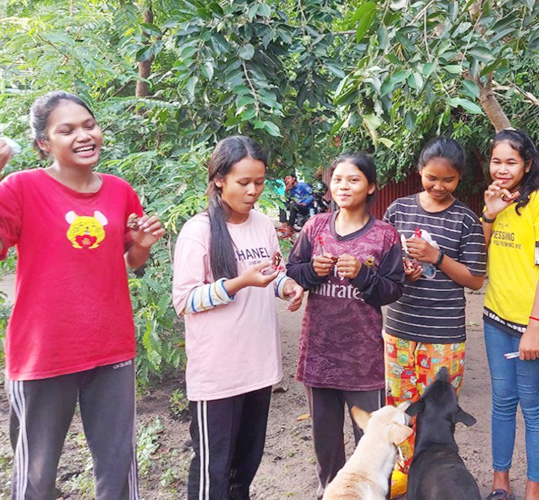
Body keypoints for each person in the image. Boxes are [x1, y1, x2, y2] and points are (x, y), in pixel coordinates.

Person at [0, 91, 165, 499]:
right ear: (44, 144)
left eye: (88, 125)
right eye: (67, 130)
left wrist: (142, 244)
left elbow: (131, 260)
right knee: (36, 479)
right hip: (43, 353)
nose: (83, 135)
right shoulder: (21, 187)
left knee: (117, 472)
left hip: (111, 348)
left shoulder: (119, 190)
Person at [172, 135, 304, 500]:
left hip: (258, 367)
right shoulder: (198, 231)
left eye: (259, 182)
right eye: (243, 182)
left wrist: (287, 286)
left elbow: (272, 274)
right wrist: (236, 284)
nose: (253, 191)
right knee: (212, 472)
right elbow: (184, 300)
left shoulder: (262, 223)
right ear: (219, 179)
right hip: (217, 375)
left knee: (245, 468)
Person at [285, 152, 404, 499]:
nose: (343, 186)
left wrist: (364, 274)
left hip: (364, 359)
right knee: (326, 445)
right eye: (337, 179)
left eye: (353, 180)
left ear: (371, 186)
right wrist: (312, 272)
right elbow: (294, 273)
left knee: (371, 442)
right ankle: (330, 493)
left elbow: (392, 290)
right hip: (318, 354)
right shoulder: (315, 227)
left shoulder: (385, 235)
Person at [382, 136, 486, 497]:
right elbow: (381, 261)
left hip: (443, 333)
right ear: (419, 172)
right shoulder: (397, 209)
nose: (439, 186)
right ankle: (403, 473)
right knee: (401, 409)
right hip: (399, 328)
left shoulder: (466, 220)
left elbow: (475, 279)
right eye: (431, 178)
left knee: (438, 415)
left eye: (449, 180)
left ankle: (436, 478)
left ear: (459, 179)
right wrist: (402, 270)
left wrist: (436, 257)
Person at [481, 129, 539, 500]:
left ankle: (535, 487)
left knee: (533, 404)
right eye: (496, 161)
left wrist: (534, 326)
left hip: (532, 325)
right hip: (495, 318)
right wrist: (489, 214)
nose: (502, 169)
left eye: (511, 162)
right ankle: (501, 481)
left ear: (526, 165)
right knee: (501, 401)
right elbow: (475, 257)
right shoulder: (493, 201)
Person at [278, 172, 315, 237]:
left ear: (294, 178)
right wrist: (286, 191)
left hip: (305, 207)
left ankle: (290, 227)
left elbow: (313, 195)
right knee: (281, 204)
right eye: (286, 180)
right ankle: (284, 224)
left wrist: (305, 203)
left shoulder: (302, 185)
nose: (287, 181)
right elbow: (287, 200)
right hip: (297, 206)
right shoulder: (291, 189)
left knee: (293, 205)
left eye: (288, 178)